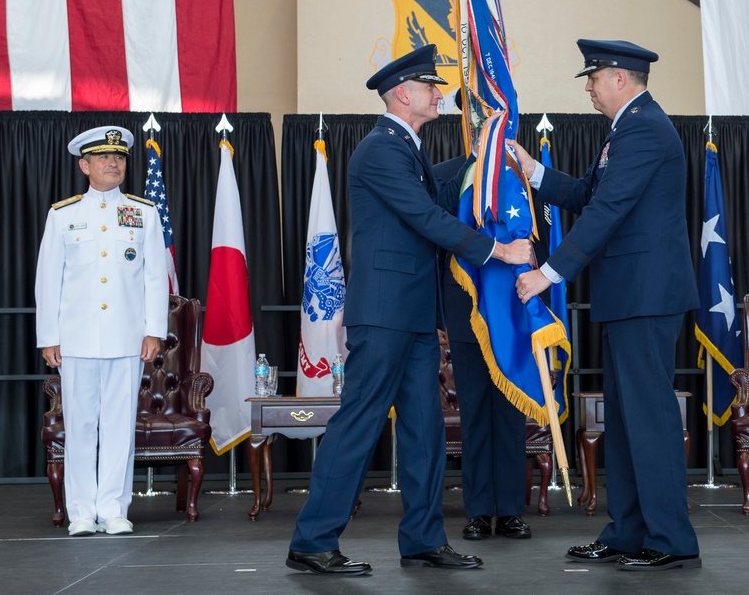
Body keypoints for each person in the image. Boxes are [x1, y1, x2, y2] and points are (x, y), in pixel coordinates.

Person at [286, 45, 533, 576]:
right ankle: (312, 539)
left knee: (423, 430)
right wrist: (499, 251)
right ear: (403, 94)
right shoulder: (382, 150)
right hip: (385, 313)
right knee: (358, 422)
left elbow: (443, 198)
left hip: (415, 316)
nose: (438, 94)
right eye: (430, 87)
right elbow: (426, 216)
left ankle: (423, 539)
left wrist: (487, 153)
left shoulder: (408, 148)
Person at [511, 39, 701, 571]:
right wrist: (532, 171)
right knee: (624, 418)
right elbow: (587, 195)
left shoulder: (643, 127)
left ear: (620, 78)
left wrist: (548, 274)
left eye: (593, 79)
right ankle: (627, 533)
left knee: (650, 417)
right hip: (629, 295)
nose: (589, 88)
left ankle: (670, 539)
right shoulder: (625, 130)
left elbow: (607, 210)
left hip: (646, 295)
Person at [35, 126, 168, 537]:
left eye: (120, 158)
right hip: (76, 339)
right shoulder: (64, 214)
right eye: (104, 158)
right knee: (79, 424)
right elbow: (47, 280)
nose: (114, 164)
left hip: (127, 338)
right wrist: (49, 336)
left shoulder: (143, 212)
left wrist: (154, 331)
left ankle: (113, 508)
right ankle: (80, 511)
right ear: (84, 165)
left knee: (117, 424)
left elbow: (154, 277)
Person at [434, 155, 532, 543]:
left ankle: (509, 511)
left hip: (510, 308)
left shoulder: (517, 173)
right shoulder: (447, 174)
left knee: (508, 414)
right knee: (474, 412)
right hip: (463, 307)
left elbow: (534, 238)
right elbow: (440, 236)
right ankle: (477, 512)